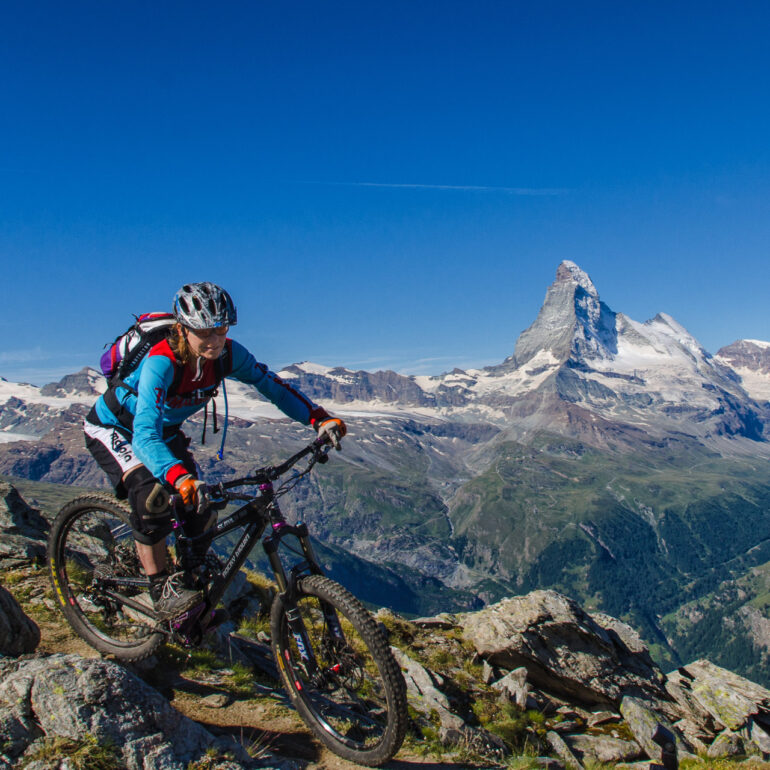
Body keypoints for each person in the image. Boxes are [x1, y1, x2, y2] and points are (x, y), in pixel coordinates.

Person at [84, 282, 346, 619]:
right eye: (204, 331)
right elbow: (145, 435)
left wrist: (318, 418)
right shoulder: (160, 363)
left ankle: (189, 577)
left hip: (164, 432)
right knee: (152, 497)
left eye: (221, 329)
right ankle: (160, 590)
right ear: (183, 328)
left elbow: (272, 386)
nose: (214, 340)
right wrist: (177, 477)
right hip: (117, 428)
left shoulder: (229, 355)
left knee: (201, 510)